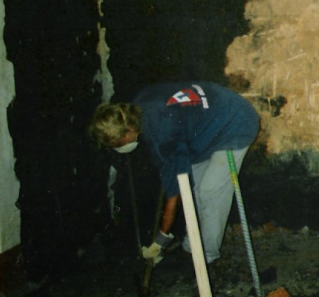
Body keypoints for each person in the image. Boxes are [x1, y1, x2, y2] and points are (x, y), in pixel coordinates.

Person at [89, 81, 260, 265]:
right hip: (207, 124)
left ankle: (206, 255)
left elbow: (175, 194)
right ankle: (192, 245)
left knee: (209, 192)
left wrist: (160, 240)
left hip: (235, 124)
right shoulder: (135, 108)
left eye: (118, 143)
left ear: (129, 130)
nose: (118, 147)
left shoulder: (162, 131)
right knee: (194, 188)